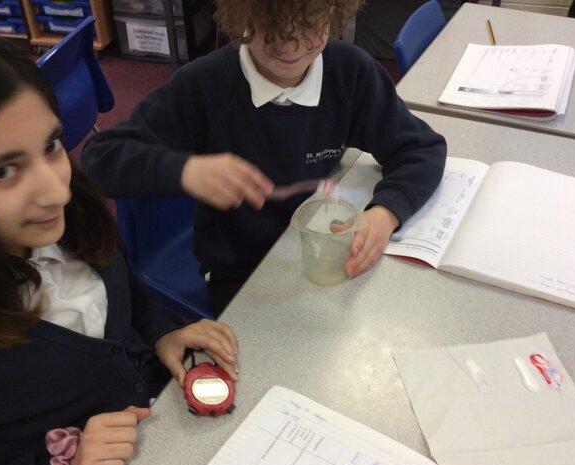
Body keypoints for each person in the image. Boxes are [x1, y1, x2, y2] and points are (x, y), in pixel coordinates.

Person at [0, 14, 238, 465]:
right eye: (3, 171)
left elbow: (124, 282)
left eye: (51, 145)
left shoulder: (71, 216)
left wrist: (161, 331)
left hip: (160, 443)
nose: (56, 189)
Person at [81, 0, 447, 315]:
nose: (290, 45)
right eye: (270, 29)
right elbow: (100, 158)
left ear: (333, 14)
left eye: (310, 25)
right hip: (242, 273)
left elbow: (421, 148)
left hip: (323, 250)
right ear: (242, 17)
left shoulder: (349, 72)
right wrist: (185, 170)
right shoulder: (204, 86)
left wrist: (385, 214)